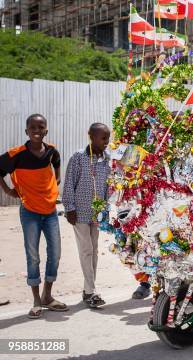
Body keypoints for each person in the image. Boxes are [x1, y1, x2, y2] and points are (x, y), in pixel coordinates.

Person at [0, 114, 68, 319]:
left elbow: (56, 164)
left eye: (41, 127)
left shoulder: (51, 150)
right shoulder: (16, 155)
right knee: (33, 256)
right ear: (26, 131)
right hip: (29, 211)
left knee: (55, 253)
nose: (37, 130)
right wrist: (8, 190)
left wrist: (55, 182)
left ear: (46, 130)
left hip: (50, 212)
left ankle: (48, 295)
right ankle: (36, 300)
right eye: (32, 127)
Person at [63, 123, 111, 309]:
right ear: (91, 136)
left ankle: (87, 289)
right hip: (79, 212)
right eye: (102, 138)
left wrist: (105, 210)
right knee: (86, 250)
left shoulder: (106, 160)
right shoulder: (78, 157)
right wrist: (69, 208)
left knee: (94, 250)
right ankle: (91, 292)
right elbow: (69, 184)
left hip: (97, 214)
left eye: (107, 138)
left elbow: (108, 186)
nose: (106, 142)